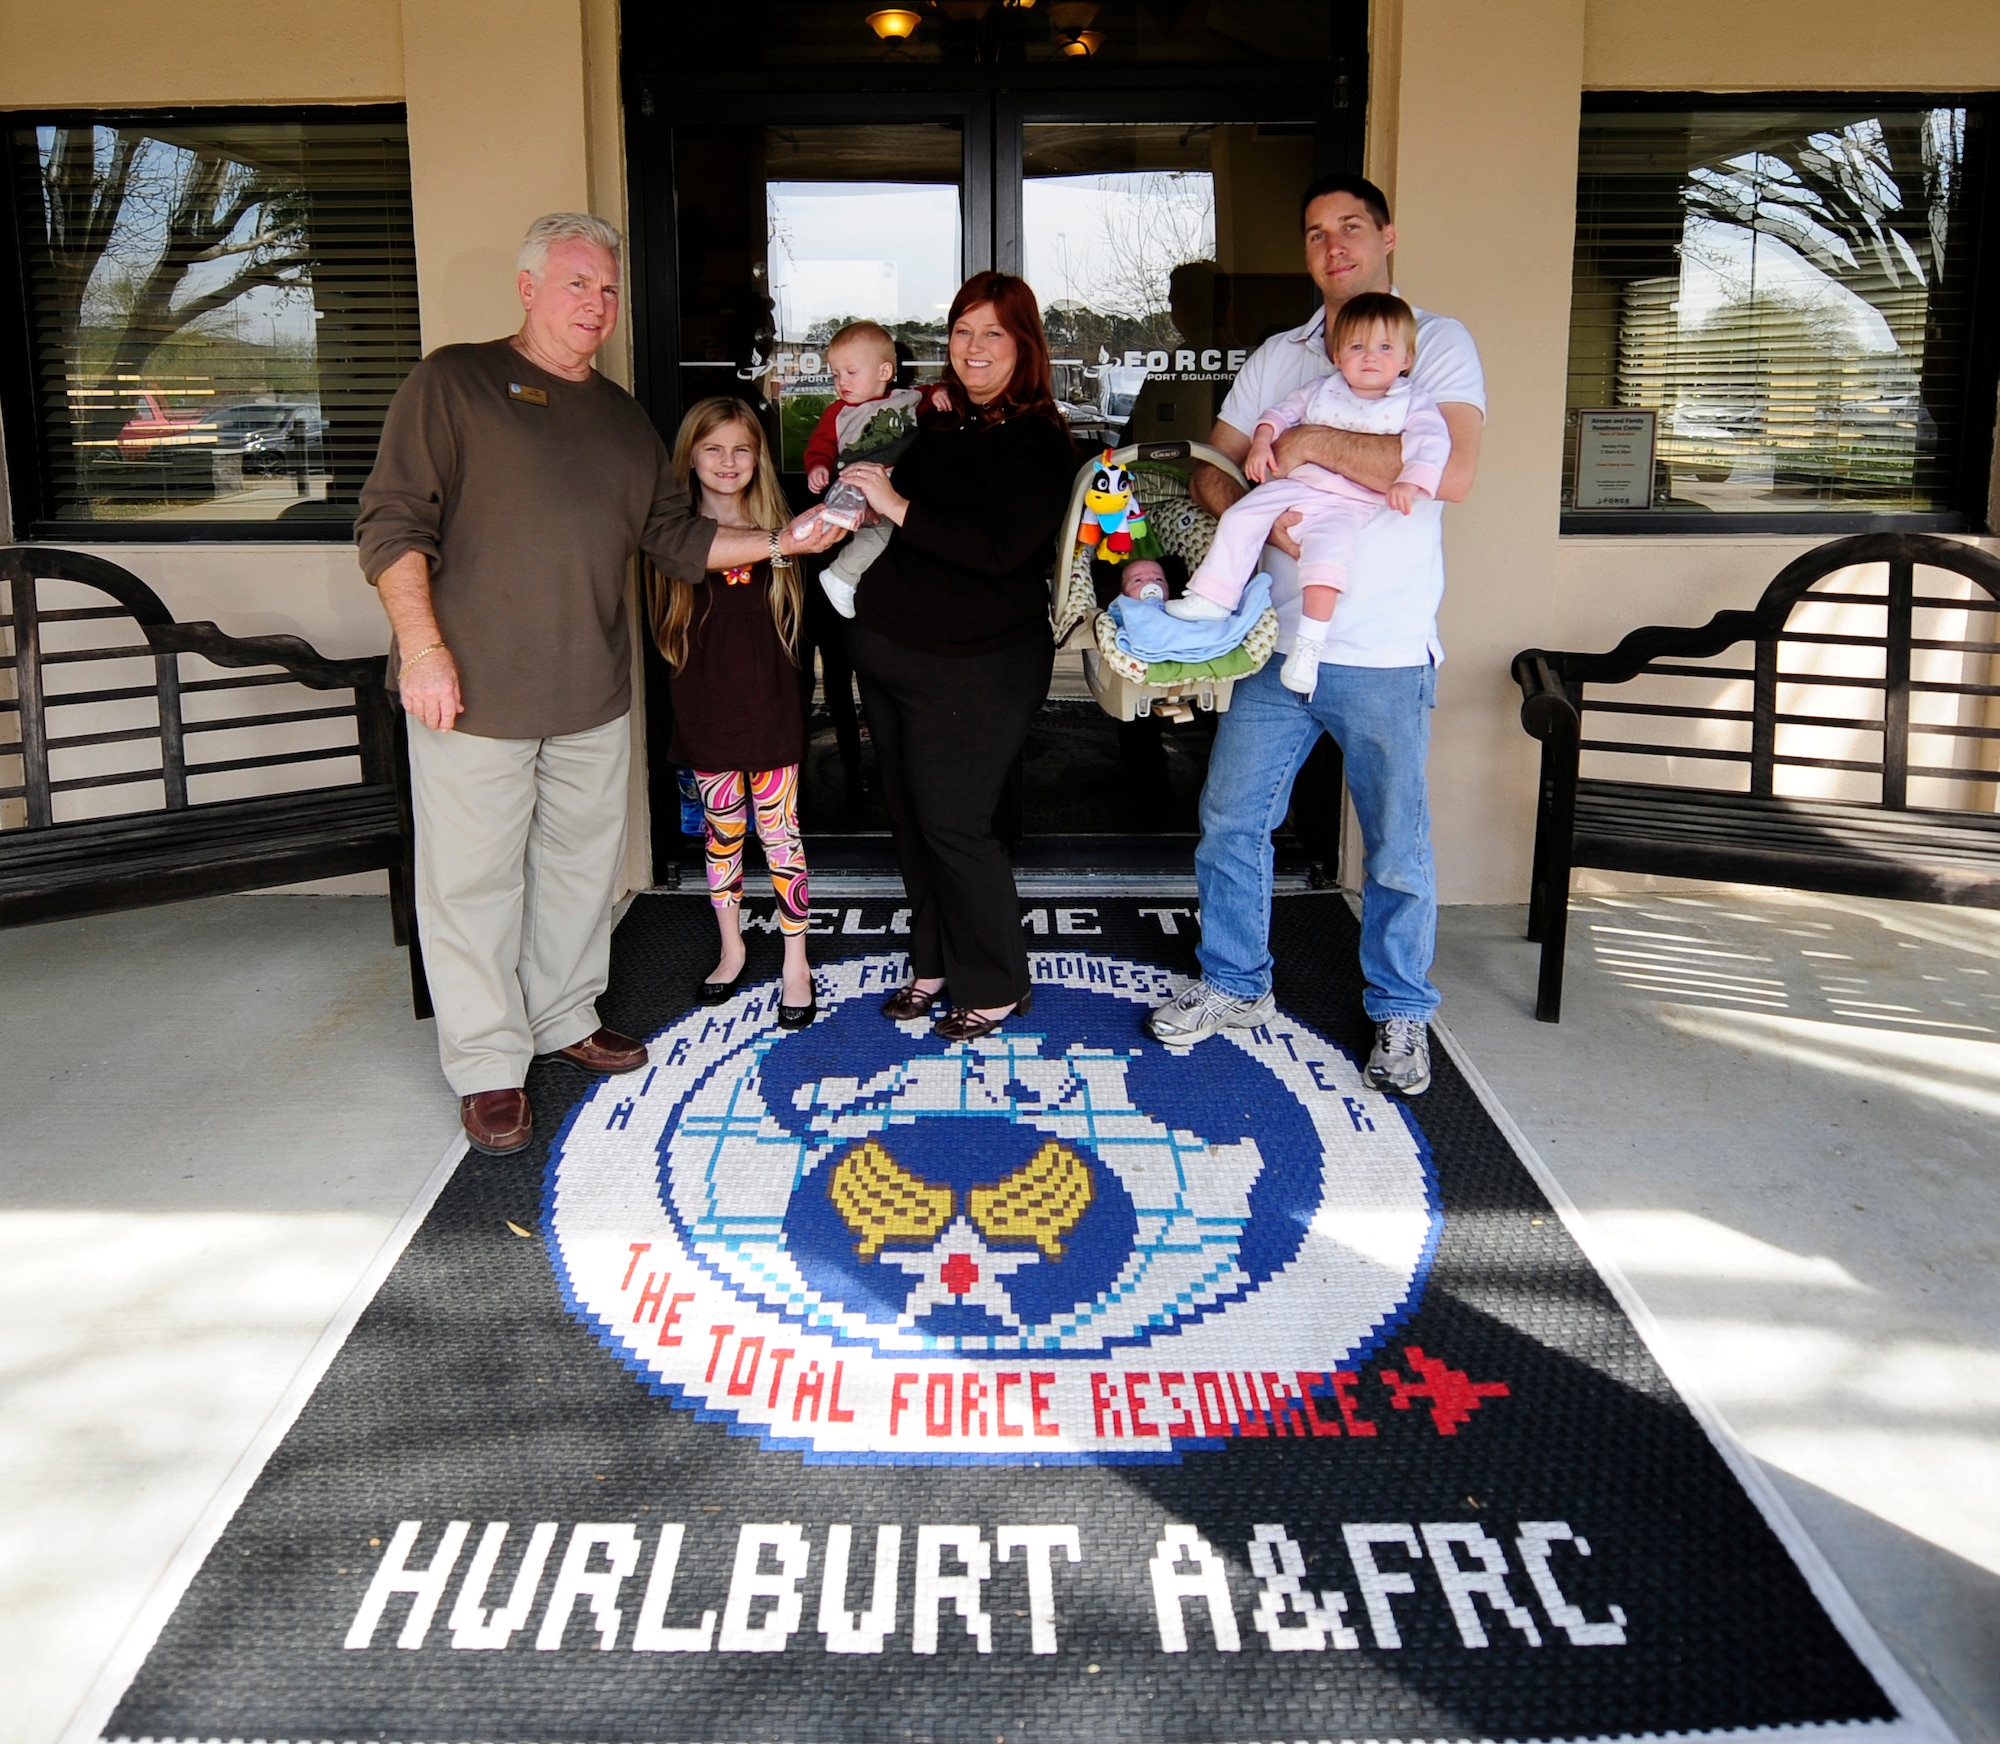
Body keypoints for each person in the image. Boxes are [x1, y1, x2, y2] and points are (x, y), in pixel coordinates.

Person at [357, 212, 839, 1158]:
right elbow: (390, 524)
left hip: (592, 693)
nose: (597, 303)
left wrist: (784, 538)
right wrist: (421, 649)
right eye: (578, 283)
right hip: (474, 693)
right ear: (528, 286)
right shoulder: (452, 382)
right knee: (472, 883)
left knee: (580, 872)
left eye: (609, 289)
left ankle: (563, 1016)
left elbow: (676, 538)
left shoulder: (622, 419)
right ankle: (490, 1065)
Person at [1145, 173, 1486, 1098]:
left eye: (1350, 227)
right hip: (1275, 643)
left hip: (1380, 650)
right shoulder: (1280, 354)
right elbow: (1210, 465)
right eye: (1314, 233)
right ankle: (1234, 984)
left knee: (1396, 845)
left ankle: (1403, 1010)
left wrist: (1304, 452)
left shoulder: (1431, 342)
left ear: (1386, 236)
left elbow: (1448, 470)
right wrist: (1257, 506)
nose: (1332, 245)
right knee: (1231, 820)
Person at [835, 272, 1077, 1040]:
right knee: (909, 819)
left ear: (1023, 346)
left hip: (979, 668)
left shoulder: (1041, 439)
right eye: (963, 331)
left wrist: (899, 504)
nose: (973, 349)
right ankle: (933, 962)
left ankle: (997, 981)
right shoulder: (938, 424)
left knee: (954, 823)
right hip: (890, 653)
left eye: (993, 334)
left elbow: (1002, 550)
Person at [1168, 292, 1449, 696]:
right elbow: (1278, 414)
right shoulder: (1322, 389)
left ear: (1406, 359)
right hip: (1295, 486)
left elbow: (1433, 445)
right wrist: (1263, 443)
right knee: (1239, 517)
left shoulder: (1412, 403)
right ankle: (1213, 596)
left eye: (1385, 348)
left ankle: (1309, 647)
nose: (1370, 357)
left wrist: (1409, 481)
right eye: (1357, 347)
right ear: (1338, 356)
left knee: (1325, 566)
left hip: (1348, 504)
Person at [654, 397, 816, 1028]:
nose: (727, 461)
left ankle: (795, 961)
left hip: (770, 709)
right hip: (705, 710)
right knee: (723, 835)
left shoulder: (782, 525)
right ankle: (732, 947)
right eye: (713, 448)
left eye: (742, 448)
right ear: (690, 455)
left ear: (760, 457)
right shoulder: (672, 531)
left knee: (781, 837)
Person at [804, 321, 925, 620]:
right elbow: (821, 445)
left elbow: (932, 396)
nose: (841, 382)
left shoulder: (906, 400)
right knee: (878, 530)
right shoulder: (838, 411)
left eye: (851, 373)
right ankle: (842, 575)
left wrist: (940, 395)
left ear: (884, 372)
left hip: (892, 486)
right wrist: (818, 465)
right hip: (855, 480)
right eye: (835, 375)